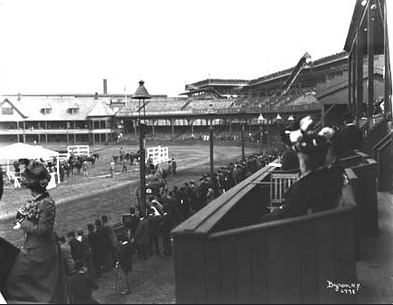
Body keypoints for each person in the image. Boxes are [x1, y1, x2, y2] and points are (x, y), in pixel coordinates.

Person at [3, 161, 71, 303]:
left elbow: (43, 229)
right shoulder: (33, 201)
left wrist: (23, 222)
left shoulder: (47, 203)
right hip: (32, 246)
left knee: (35, 288)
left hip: (42, 250)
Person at [260, 116, 344, 222]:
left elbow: (286, 216)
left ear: (304, 160)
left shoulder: (303, 188)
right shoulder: (333, 176)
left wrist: (267, 217)